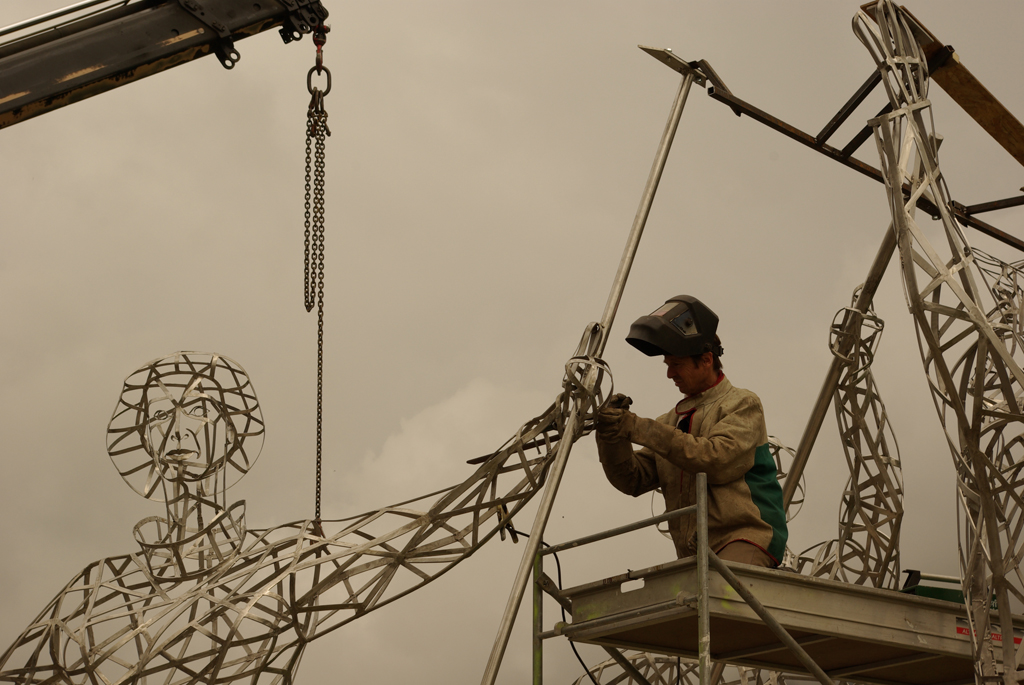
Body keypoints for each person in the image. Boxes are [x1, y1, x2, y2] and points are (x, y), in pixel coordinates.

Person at [595, 295, 787, 568]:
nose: (669, 374)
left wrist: (636, 427)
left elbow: (714, 460)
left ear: (706, 360)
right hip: (695, 553)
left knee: (721, 597)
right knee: (687, 604)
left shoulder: (742, 404)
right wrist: (612, 435)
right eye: (667, 365)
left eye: (677, 365)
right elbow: (632, 480)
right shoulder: (670, 421)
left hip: (744, 539)